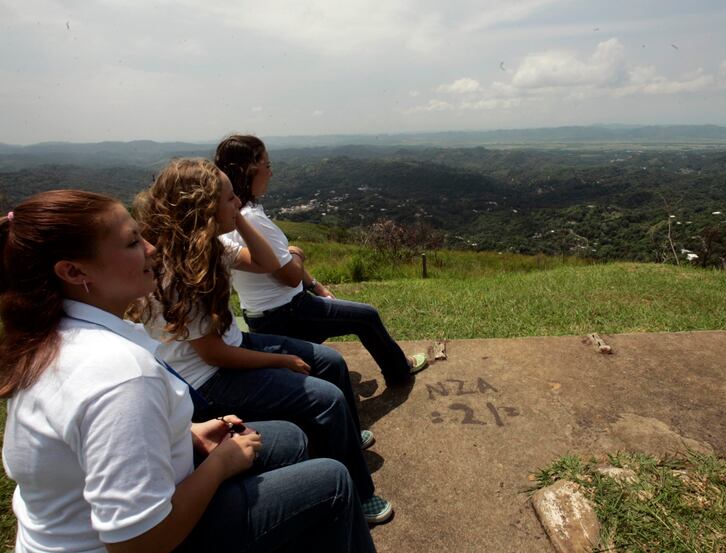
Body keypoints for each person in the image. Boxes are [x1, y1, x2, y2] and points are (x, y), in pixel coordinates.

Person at [0, 190, 375, 552]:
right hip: (141, 540)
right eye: (132, 243)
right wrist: (219, 465)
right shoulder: (119, 376)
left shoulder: (49, 338)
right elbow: (138, 542)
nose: (149, 249)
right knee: (333, 482)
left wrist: (189, 433)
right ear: (73, 271)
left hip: (111, 510)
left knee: (289, 439)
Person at [131, 158, 392, 524]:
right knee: (327, 399)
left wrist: (237, 220)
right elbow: (215, 354)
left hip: (235, 346)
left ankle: (343, 438)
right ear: (204, 210)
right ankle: (361, 498)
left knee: (330, 363)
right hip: (210, 378)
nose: (238, 203)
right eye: (228, 199)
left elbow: (267, 262)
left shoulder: (212, 246)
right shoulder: (178, 273)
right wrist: (280, 361)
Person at [214, 134, 428, 387]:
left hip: (260, 315)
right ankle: (399, 371)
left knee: (337, 317)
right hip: (289, 312)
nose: (270, 173)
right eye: (267, 165)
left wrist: (316, 285)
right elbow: (290, 275)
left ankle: (311, 366)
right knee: (366, 317)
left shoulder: (227, 219)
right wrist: (296, 253)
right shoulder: (252, 220)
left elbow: (278, 266)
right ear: (249, 169)